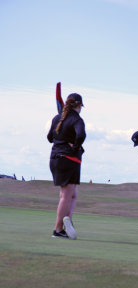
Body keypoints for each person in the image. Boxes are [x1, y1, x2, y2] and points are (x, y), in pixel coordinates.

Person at [47, 93, 86, 239]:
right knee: (66, 195)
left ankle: (67, 221)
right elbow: (81, 135)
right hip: (69, 159)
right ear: (79, 105)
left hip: (55, 159)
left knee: (72, 194)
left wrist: (62, 137)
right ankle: (58, 230)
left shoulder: (57, 118)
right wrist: (75, 147)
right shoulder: (77, 119)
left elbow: (50, 138)